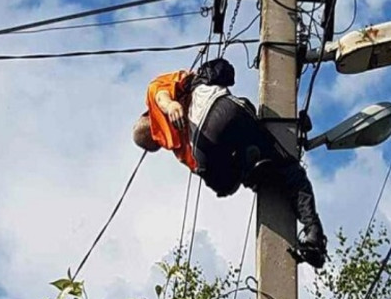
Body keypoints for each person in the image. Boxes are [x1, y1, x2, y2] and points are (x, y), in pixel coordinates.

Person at [132, 58, 327, 268]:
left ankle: (248, 167)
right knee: (290, 171)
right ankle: (313, 234)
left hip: (205, 145)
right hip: (225, 109)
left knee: (224, 184)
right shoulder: (155, 93)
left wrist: (171, 106)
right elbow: (160, 95)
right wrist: (171, 105)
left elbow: (205, 172)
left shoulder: (179, 148)